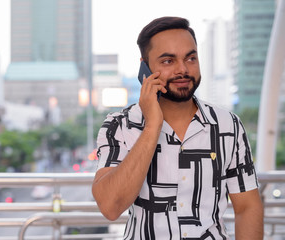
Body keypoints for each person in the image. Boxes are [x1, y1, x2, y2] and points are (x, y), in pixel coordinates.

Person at [92, 16, 264, 239]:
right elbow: (110, 206)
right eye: (168, 61)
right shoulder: (119, 125)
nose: (183, 69)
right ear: (144, 67)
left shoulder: (228, 125)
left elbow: (247, 207)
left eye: (190, 58)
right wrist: (153, 125)